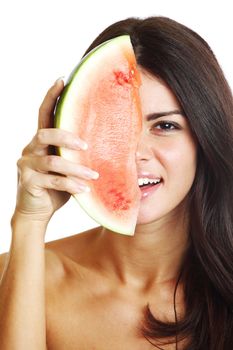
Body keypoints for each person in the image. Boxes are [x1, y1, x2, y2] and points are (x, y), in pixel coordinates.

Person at [0, 16, 232, 350]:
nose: (135, 153)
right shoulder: (24, 275)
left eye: (165, 126)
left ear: (205, 137)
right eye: (114, 126)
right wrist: (29, 223)